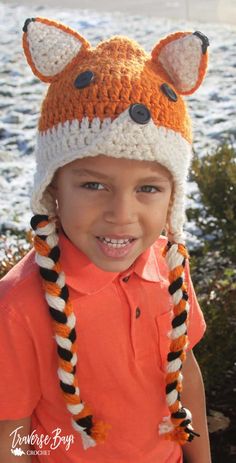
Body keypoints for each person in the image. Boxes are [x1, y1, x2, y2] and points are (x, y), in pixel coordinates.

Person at [0, 17, 212, 463]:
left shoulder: (170, 268)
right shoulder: (18, 306)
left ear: (173, 196)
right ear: (53, 188)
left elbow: (185, 372)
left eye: (148, 188)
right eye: (93, 185)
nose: (121, 215)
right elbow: (13, 432)